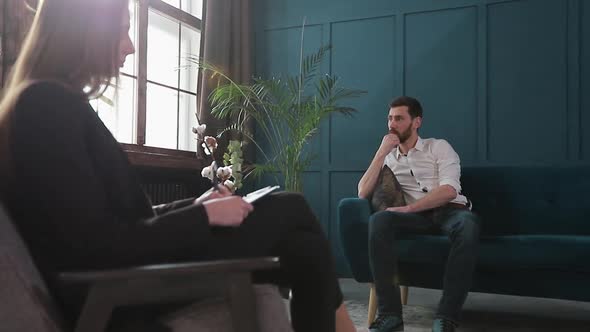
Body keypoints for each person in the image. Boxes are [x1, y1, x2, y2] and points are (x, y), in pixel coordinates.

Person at [0, 1, 356, 331]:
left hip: (132, 272)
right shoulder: (44, 107)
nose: (130, 46)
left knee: (303, 248)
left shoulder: (48, 101)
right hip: (119, 293)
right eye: (122, 30)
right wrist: (203, 218)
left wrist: (195, 206)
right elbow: (96, 246)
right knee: (290, 207)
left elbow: (112, 221)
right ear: (83, 32)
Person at [357, 97, 481, 332]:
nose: (393, 124)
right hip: (417, 220)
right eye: (390, 118)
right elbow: (363, 191)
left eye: (399, 118)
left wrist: (409, 208)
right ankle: (390, 315)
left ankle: (446, 317)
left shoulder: (439, 147)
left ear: (416, 122)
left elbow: (449, 190)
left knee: (469, 225)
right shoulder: (389, 158)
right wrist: (381, 152)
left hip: (450, 211)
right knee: (379, 220)